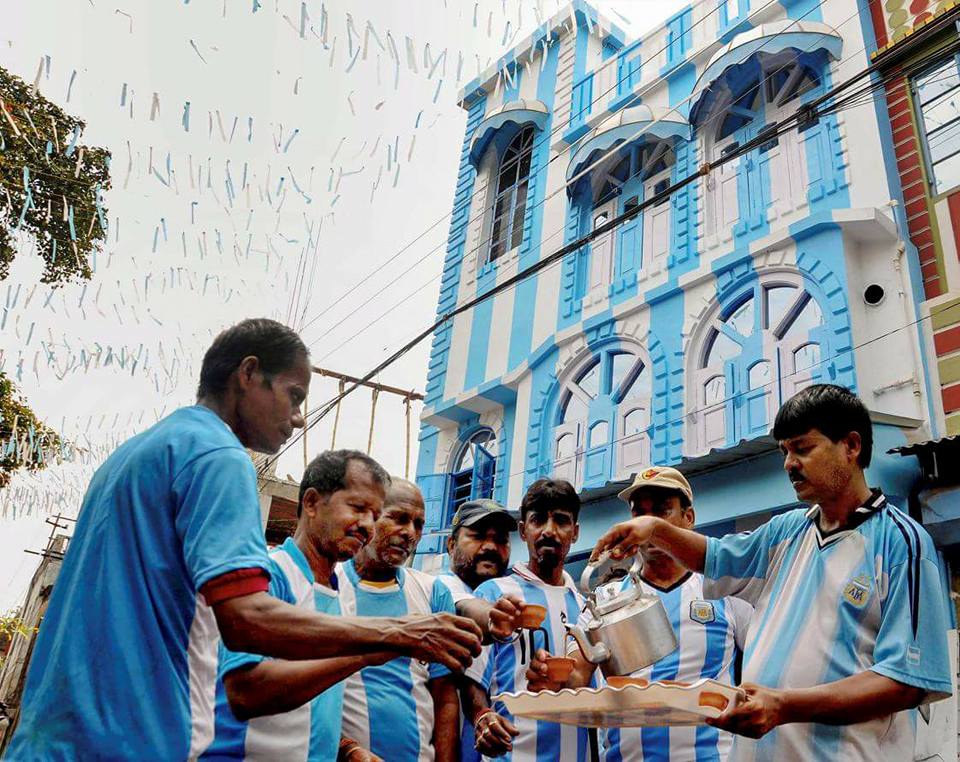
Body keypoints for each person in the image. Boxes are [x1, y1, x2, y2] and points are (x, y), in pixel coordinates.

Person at [6, 319, 481, 760]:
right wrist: (399, 633)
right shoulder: (218, 455)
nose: (297, 418)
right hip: (127, 740)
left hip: (52, 737)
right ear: (249, 374)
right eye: (294, 396)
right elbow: (246, 620)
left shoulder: (137, 453)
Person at [591, 384, 953, 761]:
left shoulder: (901, 543)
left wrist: (785, 706)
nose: (789, 464)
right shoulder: (786, 531)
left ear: (851, 446)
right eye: (784, 451)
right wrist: (655, 529)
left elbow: (906, 682)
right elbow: (712, 556)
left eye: (802, 448)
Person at [528, 466, 752, 761]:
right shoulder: (604, 599)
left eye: (661, 511)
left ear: (689, 517)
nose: (648, 523)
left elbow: (763, 671)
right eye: (639, 513)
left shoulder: (724, 590)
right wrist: (550, 676)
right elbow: (577, 675)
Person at [202, 449, 393, 761]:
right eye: (358, 508)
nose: (367, 525)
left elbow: (311, 704)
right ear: (312, 503)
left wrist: (346, 749)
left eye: (375, 515)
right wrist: (369, 650)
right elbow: (246, 692)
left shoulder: (343, 590)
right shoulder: (266, 576)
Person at [337, 478, 463, 762]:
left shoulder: (433, 593)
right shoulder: (330, 586)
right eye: (398, 518)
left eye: (418, 524)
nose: (409, 533)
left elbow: (444, 696)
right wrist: (344, 750)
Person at [470, 478, 592, 761]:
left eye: (561, 521)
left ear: (574, 532)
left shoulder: (586, 607)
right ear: (524, 531)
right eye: (538, 520)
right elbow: (472, 678)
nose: (549, 531)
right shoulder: (494, 595)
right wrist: (481, 716)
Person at [437, 499, 521, 762]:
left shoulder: (504, 596)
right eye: (477, 536)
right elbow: (466, 609)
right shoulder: (439, 588)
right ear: (451, 545)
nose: (490, 547)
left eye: (501, 540)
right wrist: (493, 618)